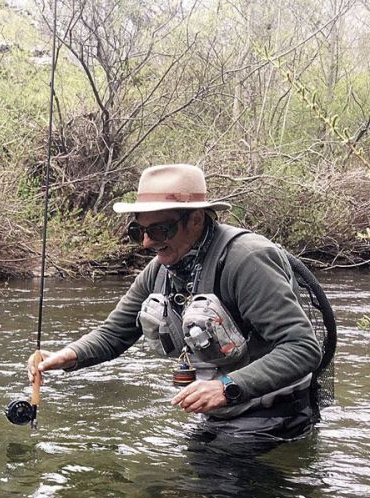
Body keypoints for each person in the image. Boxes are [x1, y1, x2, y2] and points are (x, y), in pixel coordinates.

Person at [27, 164, 323, 445]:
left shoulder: (247, 260)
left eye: (160, 230)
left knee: (206, 488)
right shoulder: (159, 270)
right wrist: (64, 357)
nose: (145, 242)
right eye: (138, 231)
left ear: (196, 220)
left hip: (274, 416)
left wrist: (226, 387)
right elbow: (114, 333)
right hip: (220, 414)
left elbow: (302, 347)